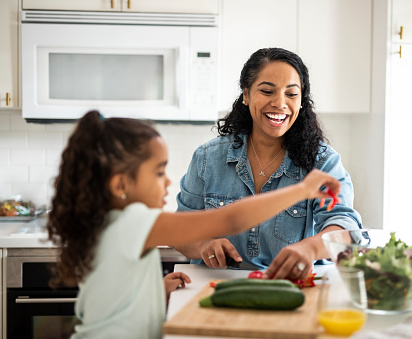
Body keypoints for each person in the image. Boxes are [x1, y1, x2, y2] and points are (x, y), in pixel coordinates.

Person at [47, 110, 341, 339]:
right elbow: (231, 218)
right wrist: (303, 189)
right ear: (120, 184)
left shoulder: (105, 225)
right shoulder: (135, 222)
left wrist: (153, 292)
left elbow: (110, 297)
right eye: (159, 172)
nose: (168, 181)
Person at [175, 47, 362, 281]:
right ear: (246, 94)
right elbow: (180, 231)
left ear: (302, 100)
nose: (280, 103)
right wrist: (203, 245)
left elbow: (345, 228)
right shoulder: (207, 158)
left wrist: (310, 248)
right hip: (218, 285)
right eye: (267, 91)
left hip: (293, 286)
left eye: (291, 94)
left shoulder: (323, 161)